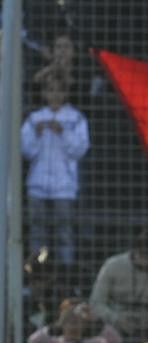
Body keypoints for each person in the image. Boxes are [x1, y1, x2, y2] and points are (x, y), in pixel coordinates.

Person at [20, 72, 89, 268]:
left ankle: (66, 273)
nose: (55, 94)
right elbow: (26, 151)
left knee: (64, 232)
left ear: (65, 92)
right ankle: (37, 272)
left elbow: (80, 149)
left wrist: (63, 132)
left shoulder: (75, 117)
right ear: (44, 93)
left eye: (59, 90)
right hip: (37, 184)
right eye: (50, 90)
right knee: (37, 232)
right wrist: (36, 133)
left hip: (64, 186)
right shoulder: (35, 118)